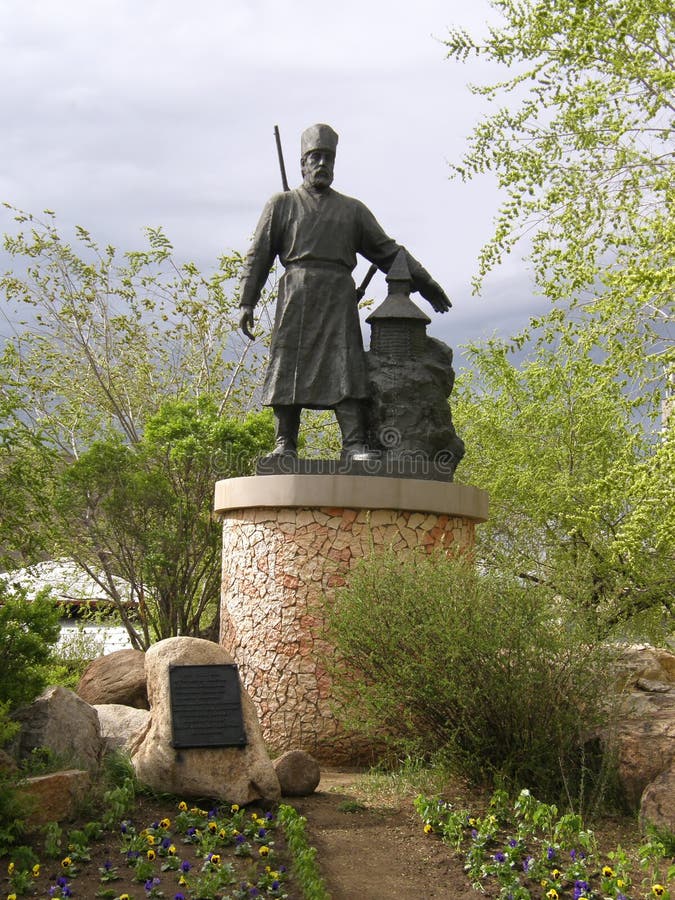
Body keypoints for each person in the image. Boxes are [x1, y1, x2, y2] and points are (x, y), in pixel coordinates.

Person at [238, 123, 451, 460]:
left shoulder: (352, 210)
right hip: (297, 293)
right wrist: (247, 301)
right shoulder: (281, 204)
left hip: (337, 296)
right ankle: (285, 444)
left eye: (327, 158)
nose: (321, 164)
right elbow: (259, 254)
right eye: (315, 157)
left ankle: (353, 444)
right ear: (303, 164)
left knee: (346, 367)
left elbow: (389, 252)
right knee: (287, 365)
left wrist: (425, 283)